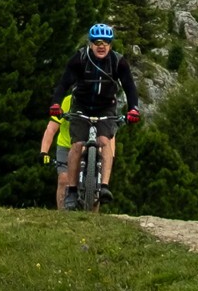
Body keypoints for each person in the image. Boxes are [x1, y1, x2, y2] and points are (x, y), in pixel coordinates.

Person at [56, 23, 140, 208]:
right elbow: (63, 84)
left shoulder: (118, 62)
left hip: (105, 107)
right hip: (81, 106)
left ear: (110, 44)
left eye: (106, 42)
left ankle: (104, 186)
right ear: (90, 43)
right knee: (77, 145)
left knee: (104, 141)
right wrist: (56, 104)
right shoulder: (79, 59)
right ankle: (71, 191)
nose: (101, 46)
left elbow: (129, 87)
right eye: (97, 42)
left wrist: (133, 108)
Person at [38, 87, 77, 209]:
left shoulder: (95, 102)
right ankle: (62, 212)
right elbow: (51, 128)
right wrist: (44, 152)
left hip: (86, 147)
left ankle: (92, 216)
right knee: (63, 179)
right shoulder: (67, 101)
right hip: (65, 146)